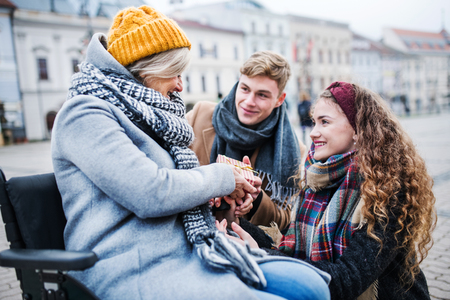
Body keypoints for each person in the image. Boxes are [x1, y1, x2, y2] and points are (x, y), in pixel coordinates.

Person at [51, 6, 330, 300]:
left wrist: (229, 193)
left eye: (262, 94)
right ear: (149, 69)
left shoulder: (148, 115)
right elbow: (151, 192)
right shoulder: (84, 113)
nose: (181, 85)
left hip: (189, 247)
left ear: (279, 100)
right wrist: (224, 177)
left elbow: (175, 184)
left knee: (312, 287)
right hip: (132, 263)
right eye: (175, 73)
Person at [218, 81, 436, 300]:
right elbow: (290, 251)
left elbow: (345, 280)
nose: (313, 133)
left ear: (358, 129)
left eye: (324, 122)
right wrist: (231, 214)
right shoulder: (317, 178)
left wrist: (259, 255)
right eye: (314, 122)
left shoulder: (386, 190)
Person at [187, 51, 306, 230]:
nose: (249, 101)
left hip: (240, 245)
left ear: (279, 100)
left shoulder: (294, 149)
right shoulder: (200, 115)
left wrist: (257, 198)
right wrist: (210, 186)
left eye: (262, 95)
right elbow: (170, 172)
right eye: (245, 89)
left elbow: (284, 222)